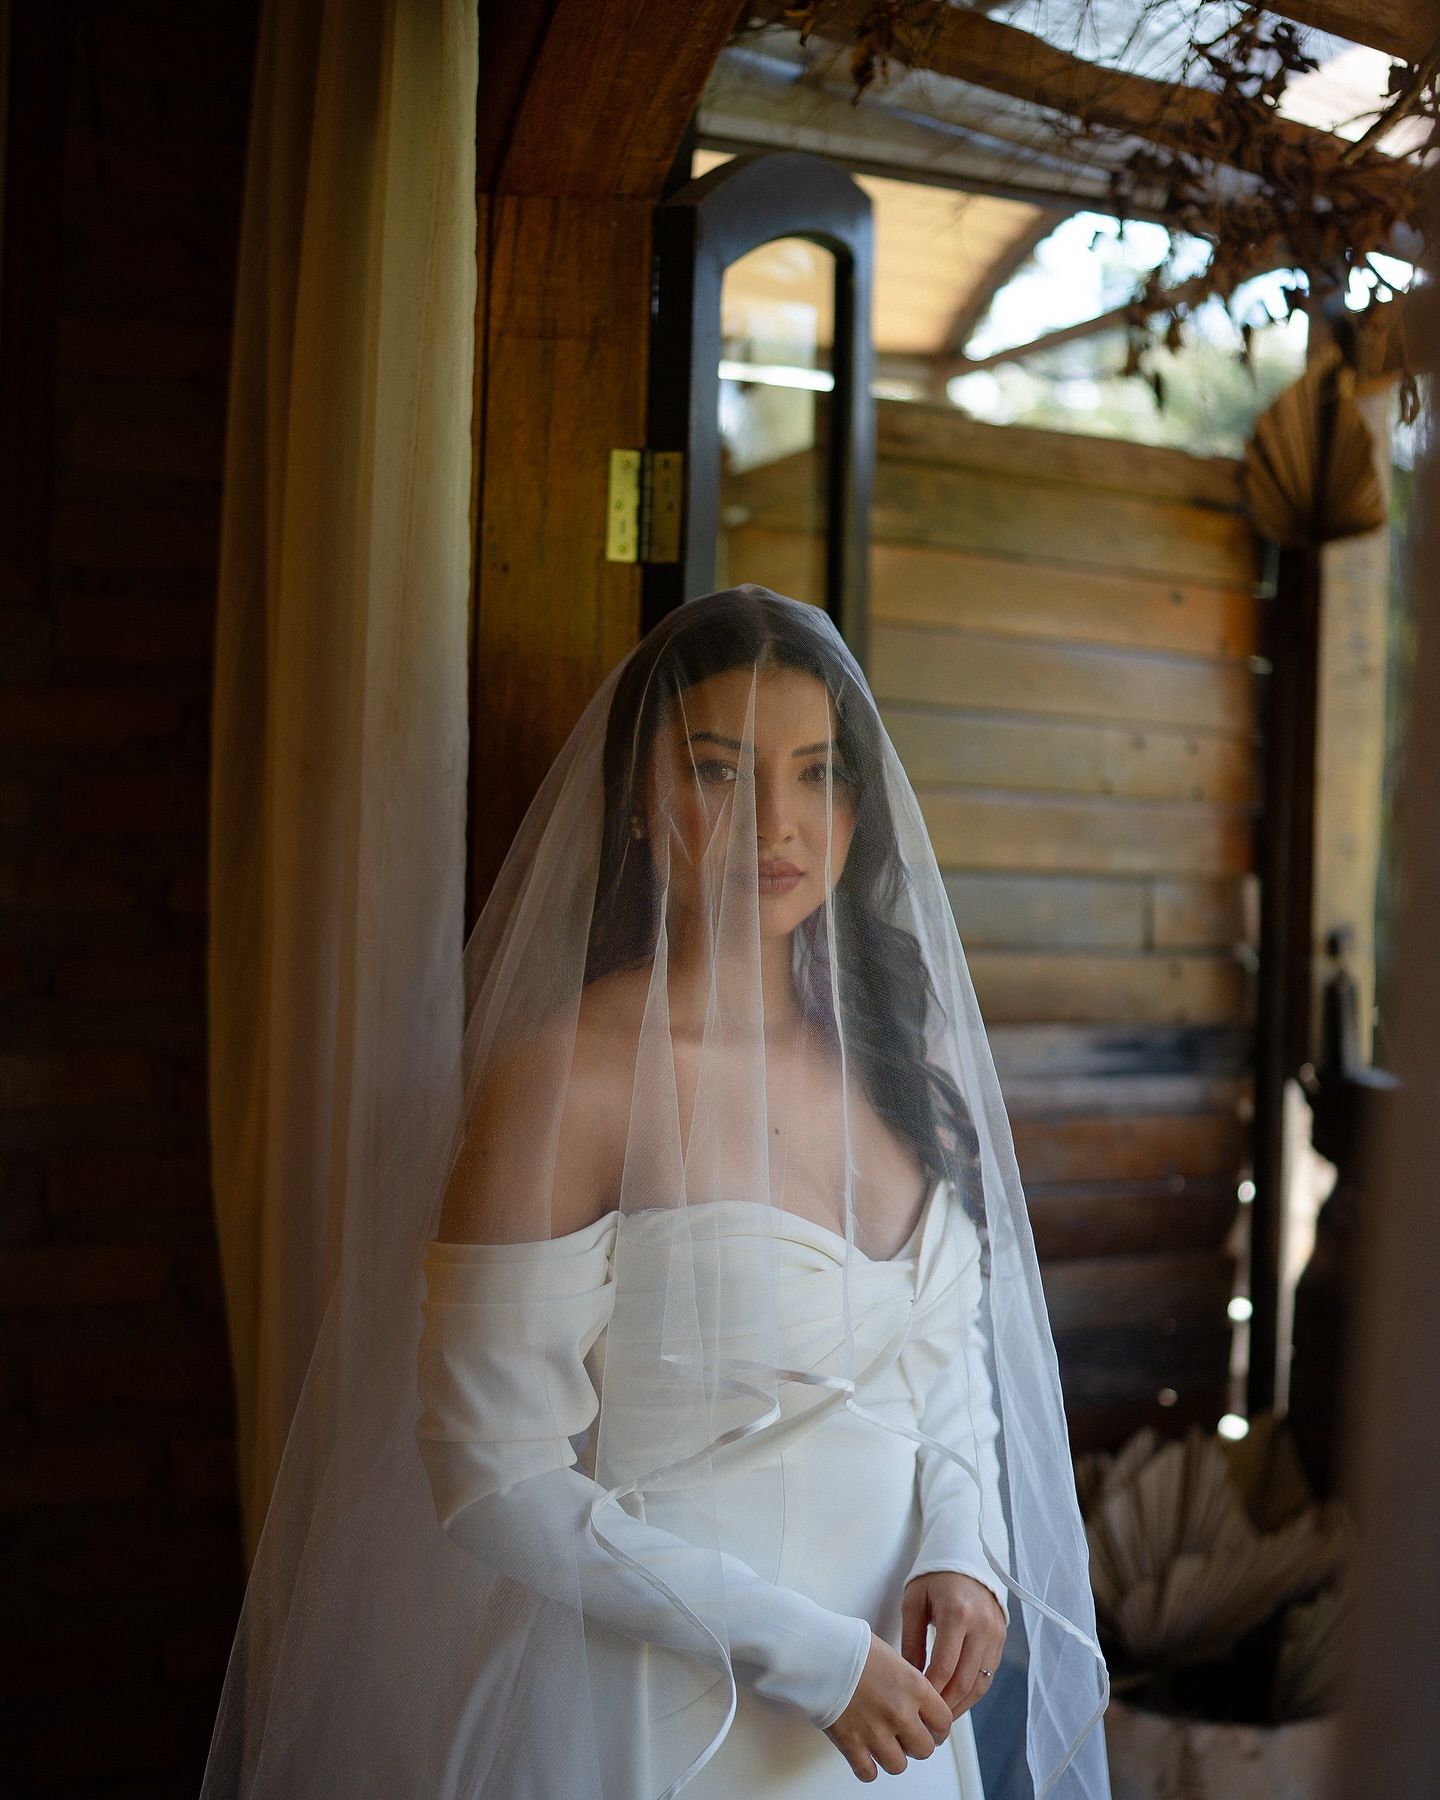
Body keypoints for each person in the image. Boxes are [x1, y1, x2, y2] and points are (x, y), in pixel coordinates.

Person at [200, 585, 1110, 1800]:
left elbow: (940, 1371)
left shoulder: (905, 1062)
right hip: (658, 1727)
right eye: (722, 772)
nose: (774, 827)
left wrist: (967, 1553)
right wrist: (809, 1658)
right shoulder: (568, 1085)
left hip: (891, 1733)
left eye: (817, 775)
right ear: (637, 797)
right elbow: (492, 1474)